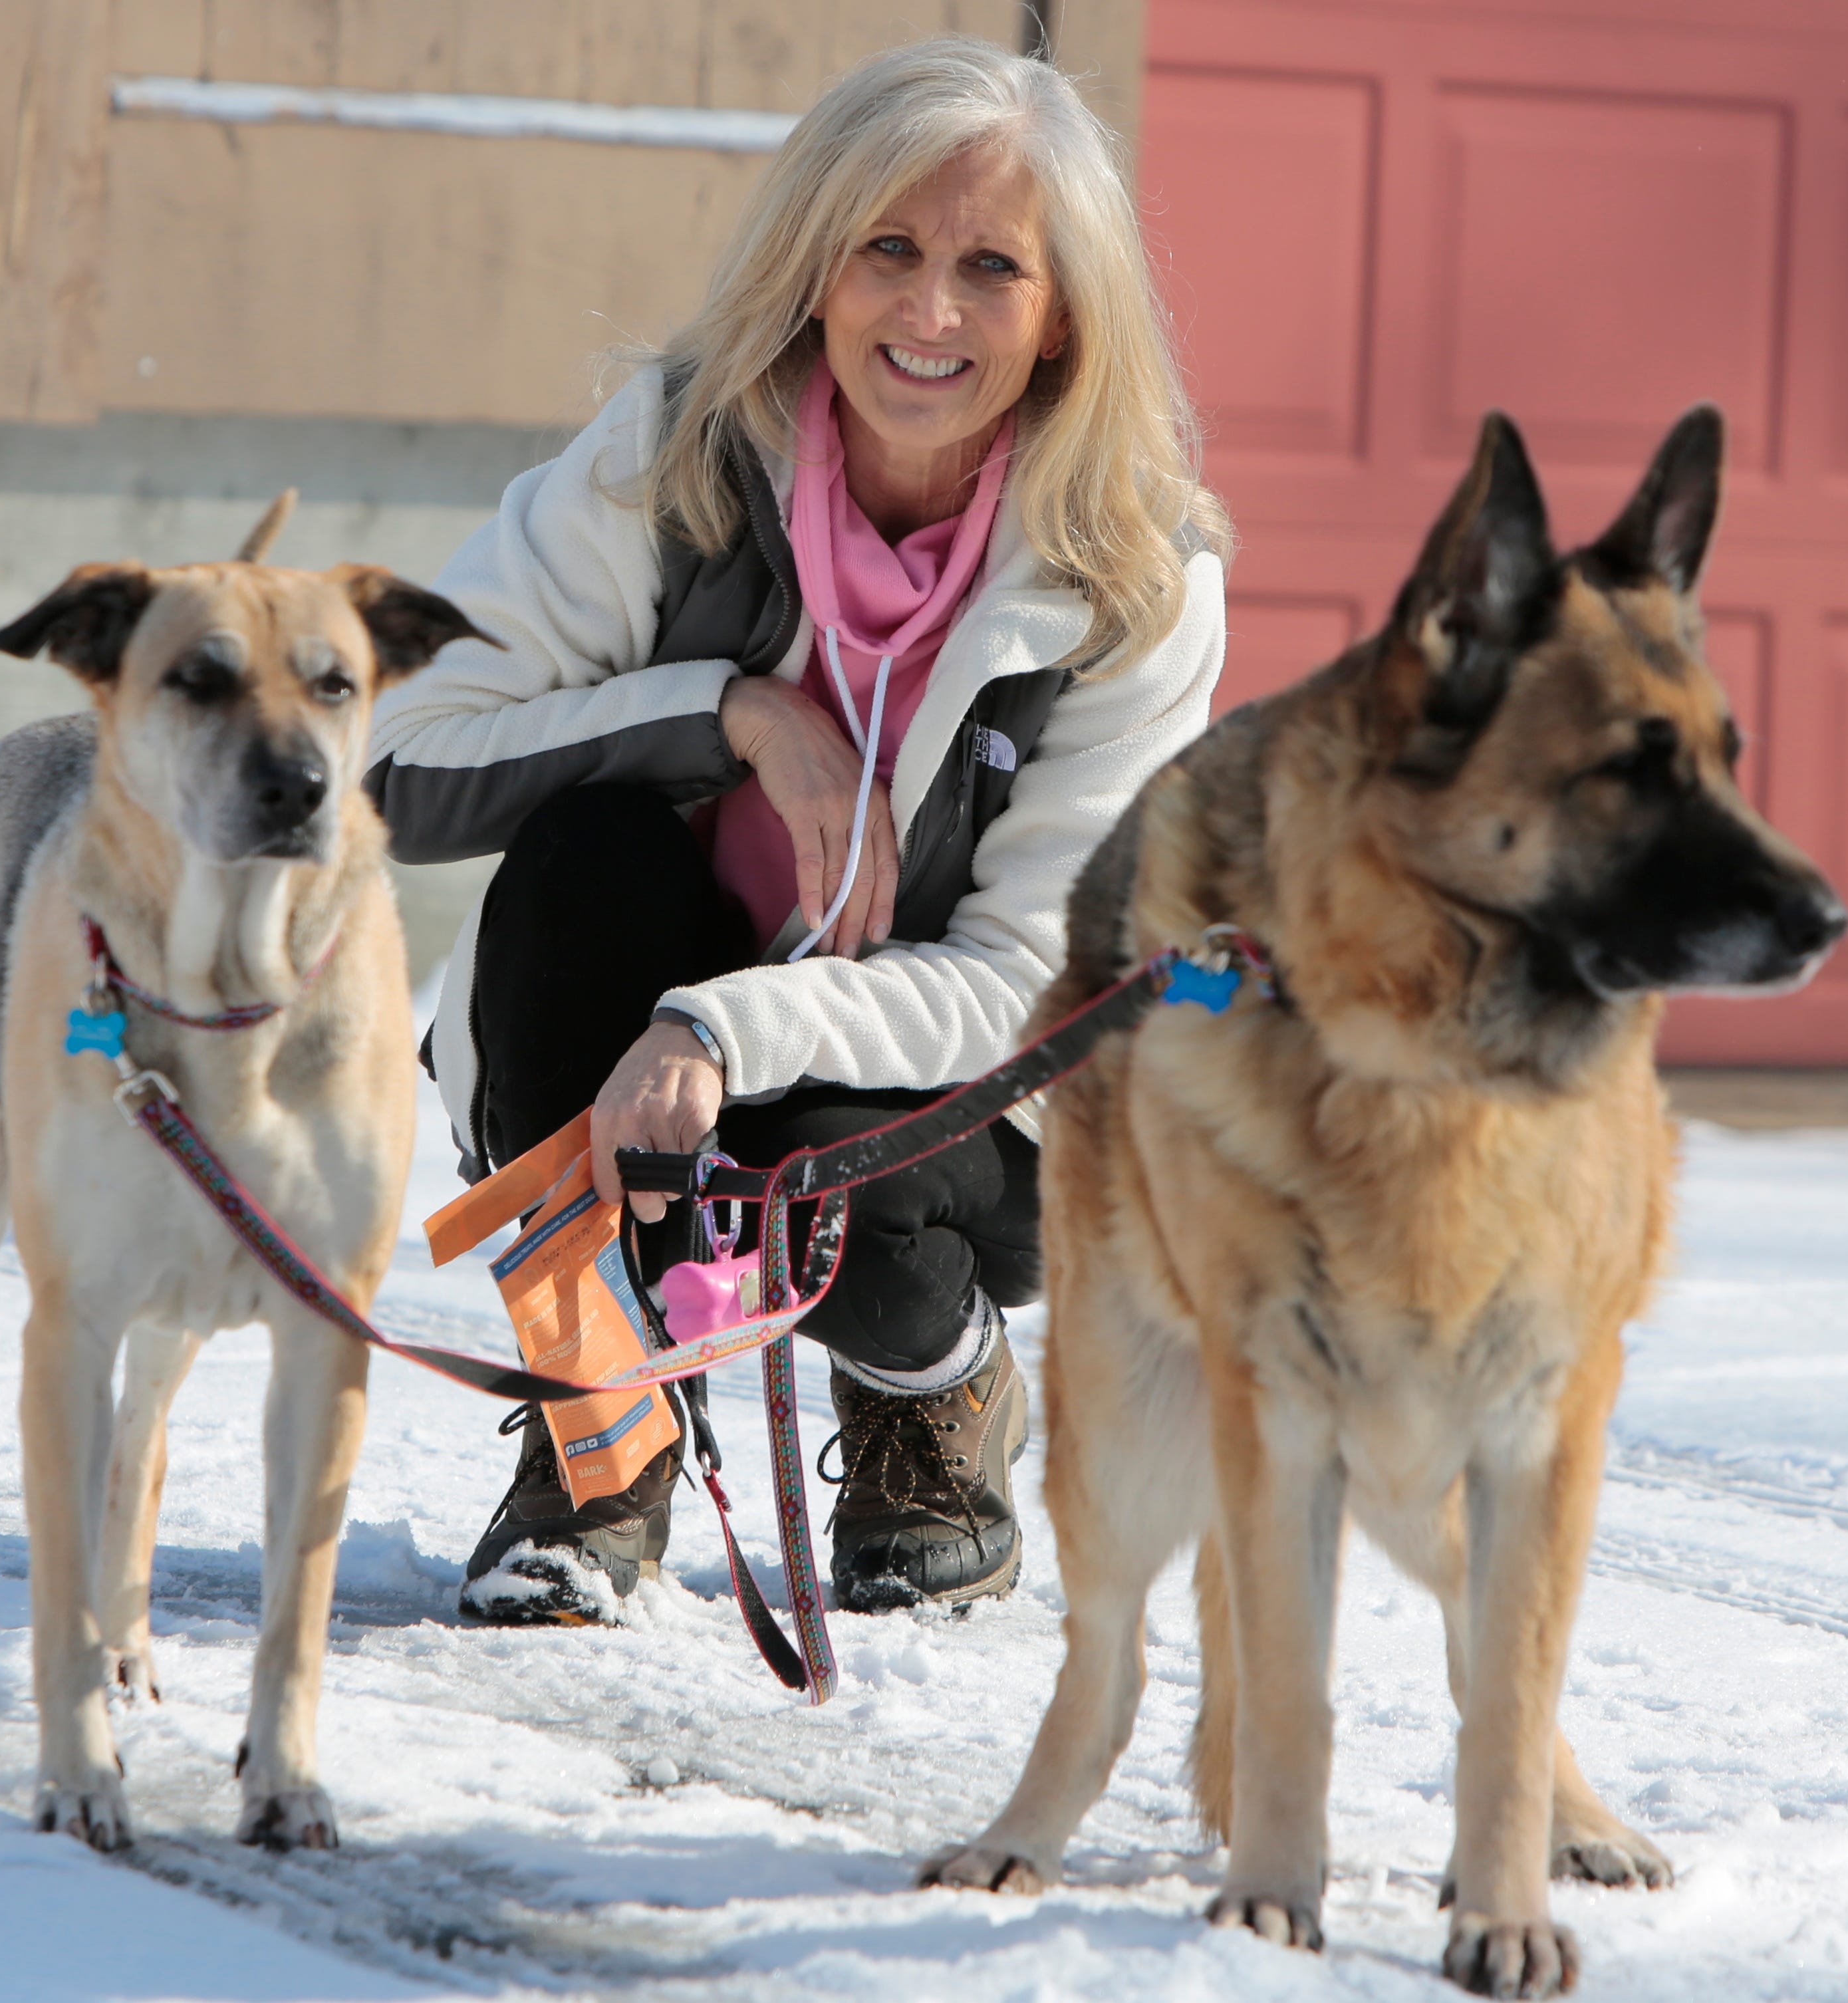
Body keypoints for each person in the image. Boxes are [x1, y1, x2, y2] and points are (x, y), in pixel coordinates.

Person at [364, 34, 1230, 1625]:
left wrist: (723, 1027)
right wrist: (730, 715)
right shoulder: (676, 456)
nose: (930, 311)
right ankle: (598, 1428)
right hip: (622, 1058)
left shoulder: (1133, 581)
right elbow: (398, 759)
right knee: (582, 866)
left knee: (806, 1158)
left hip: (963, 1123)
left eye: (991, 267)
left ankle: (933, 1391)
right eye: (887, 248)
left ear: (1062, 317)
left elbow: (1027, 983)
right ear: (814, 264)